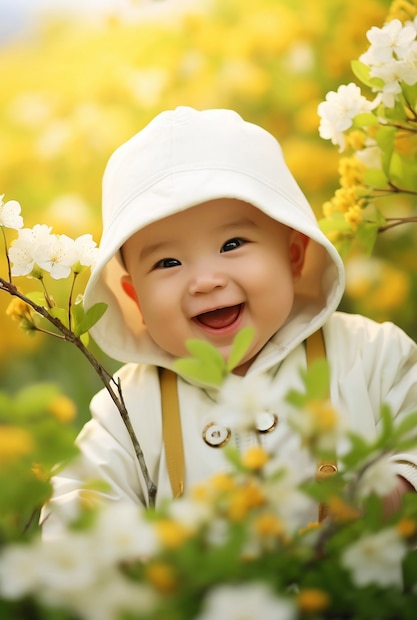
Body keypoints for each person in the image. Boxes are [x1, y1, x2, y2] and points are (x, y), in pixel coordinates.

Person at [41, 106, 417, 536]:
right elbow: (71, 507)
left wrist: (397, 488)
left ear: (293, 254)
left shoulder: (372, 354)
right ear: (135, 299)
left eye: (232, 243)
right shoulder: (128, 407)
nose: (205, 281)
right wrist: (139, 554)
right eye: (168, 262)